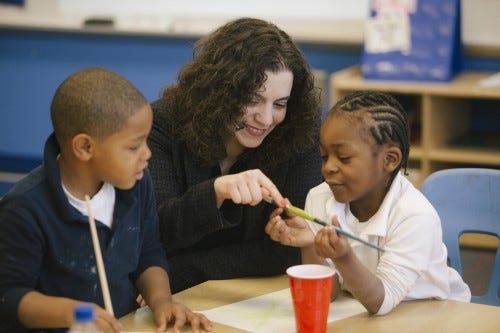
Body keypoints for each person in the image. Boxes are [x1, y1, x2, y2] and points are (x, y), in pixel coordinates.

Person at [0, 67, 211, 333]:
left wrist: (161, 301)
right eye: (134, 147)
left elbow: (149, 253)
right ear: (85, 147)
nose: (147, 155)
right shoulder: (24, 209)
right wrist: (76, 312)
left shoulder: (137, 183)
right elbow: (9, 296)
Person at [148, 17, 323, 292]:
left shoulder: (300, 131)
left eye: (280, 104)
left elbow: (288, 249)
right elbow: (155, 234)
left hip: (253, 294)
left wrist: (180, 271)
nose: (265, 119)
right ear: (219, 91)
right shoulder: (163, 123)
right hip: (172, 300)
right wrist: (216, 192)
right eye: (252, 99)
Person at [265, 90, 471, 315]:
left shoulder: (414, 215)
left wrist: (343, 257)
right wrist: (309, 243)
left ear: (389, 160)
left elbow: (381, 302)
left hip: (434, 315)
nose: (328, 167)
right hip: (367, 312)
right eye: (324, 157)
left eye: (344, 158)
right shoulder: (319, 197)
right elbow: (328, 294)